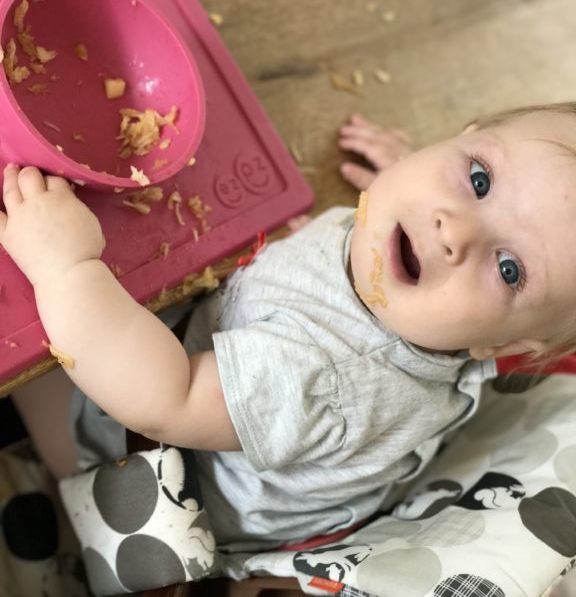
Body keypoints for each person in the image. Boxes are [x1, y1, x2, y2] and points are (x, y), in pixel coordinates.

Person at [2, 101, 576, 551]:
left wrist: (66, 266)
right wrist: (419, 169)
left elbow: (162, 399)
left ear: (497, 346)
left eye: (509, 269)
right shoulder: (422, 256)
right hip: (220, 377)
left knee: (28, 347)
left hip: (157, 469)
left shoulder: (329, 377)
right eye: (479, 179)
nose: (455, 230)